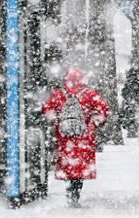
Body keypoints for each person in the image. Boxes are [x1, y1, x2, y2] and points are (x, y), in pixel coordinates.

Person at [42, 67, 108, 208]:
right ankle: (75, 193)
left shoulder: (59, 93)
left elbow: (48, 109)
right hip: (84, 136)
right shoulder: (89, 93)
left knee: (68, 166)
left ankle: (69, 190)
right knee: (80, 168)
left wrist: (55, 120)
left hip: (65, 137)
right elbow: (101, 110)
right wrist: (94, 122)